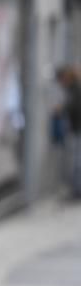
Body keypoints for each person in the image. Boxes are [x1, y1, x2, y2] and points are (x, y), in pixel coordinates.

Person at [55, 66, 81, 197]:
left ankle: (78, 191)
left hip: (78, 127)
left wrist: (62, 108)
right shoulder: (72, 88)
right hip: (76, 127)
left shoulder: (76, 88)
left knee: (77, 161)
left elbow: (74, 106)